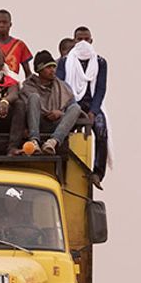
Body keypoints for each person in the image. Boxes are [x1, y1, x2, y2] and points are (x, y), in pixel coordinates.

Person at [62, 32, 109, 182]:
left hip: (91, 104)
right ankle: (61, 168)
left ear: (92, 40)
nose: (83, 42)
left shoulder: (100, 62)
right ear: (74, 40)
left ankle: (97, 173)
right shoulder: (65, 62)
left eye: (86, 39)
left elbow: (100, 89)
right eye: (79, 39)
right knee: (61, 130)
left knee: (101, 130)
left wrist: (93, 112)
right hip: (71, 102)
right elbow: (60, 86)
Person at [21, 50, 82, 155]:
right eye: (48, 67)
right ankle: (34, 140)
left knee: (76, 108)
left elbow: (71, 109)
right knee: (34, 97)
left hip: (56, 124)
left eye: (54, 67)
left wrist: (60, 113)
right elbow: (23, 110)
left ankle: (52, 142)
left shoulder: (63, 86)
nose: (53, 70)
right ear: (39, 70)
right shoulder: (28, 86)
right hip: (37, 122)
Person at [0, 9, 32, 83]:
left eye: (4, 22)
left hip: (13, 84)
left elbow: (28, 72)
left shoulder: (19, 45)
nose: (1, 25)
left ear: (10, 24)